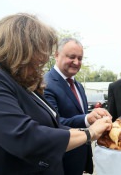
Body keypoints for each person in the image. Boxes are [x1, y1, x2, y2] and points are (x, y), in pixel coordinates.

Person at [0, 13, 112, 175]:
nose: (44, 58)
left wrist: (93, 129)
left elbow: (54, 127)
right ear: (21, 47)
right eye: (41, 49)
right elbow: (25, 136)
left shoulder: (21, 83)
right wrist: (90, 133)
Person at [44, 38, 106, 175]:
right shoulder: (46, 84)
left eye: (80, 58)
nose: (77, 62)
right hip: (61, 162)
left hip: (79, 160)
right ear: (56, 55)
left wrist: (96, 117)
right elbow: (53, 124)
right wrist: (86, 119)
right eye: (71, 57)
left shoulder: (77, 85)